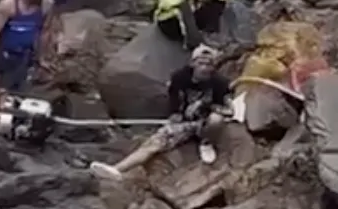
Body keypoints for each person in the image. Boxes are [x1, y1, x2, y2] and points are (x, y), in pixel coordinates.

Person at [92, 45, 234, 179]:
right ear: (192, 63)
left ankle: (206, 143)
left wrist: (213, 109)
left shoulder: (220, 83)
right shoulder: (179, 77)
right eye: (200, 63)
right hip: (183, 122)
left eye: (208, 64)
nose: (204, 68)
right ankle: (117, 169)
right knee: (154, 143)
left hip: (205, 122)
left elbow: (230, 109)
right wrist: (174, 113)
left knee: (216, 120)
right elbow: (173, 97)